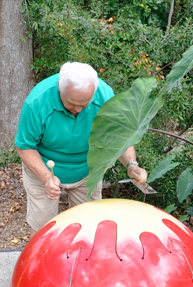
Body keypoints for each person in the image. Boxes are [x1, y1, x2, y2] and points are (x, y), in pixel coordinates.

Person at [15, 62, 148, 238]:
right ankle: (41, 264)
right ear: (59, 89)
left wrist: (131, 164)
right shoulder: (37, 102)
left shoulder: (105, 96)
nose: (78, 109)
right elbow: (25, 146)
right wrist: (46, 177)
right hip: (45, 168)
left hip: (87, 170)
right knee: (43, 228)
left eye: (85, 104)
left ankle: (79, 265)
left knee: (89, 226)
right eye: (72, 103)